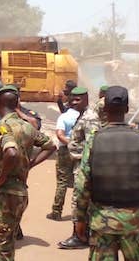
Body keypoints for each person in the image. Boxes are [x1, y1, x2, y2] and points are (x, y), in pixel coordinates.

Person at [74, 86, 139, 260]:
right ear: (127, 109)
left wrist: (79, 218)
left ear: (105, 109)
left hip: (101, 222)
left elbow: (83, 183)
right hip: (133, 221)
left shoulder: (94, 140)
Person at [0, 85, 55, 261]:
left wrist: (0, 179)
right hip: (21, 191)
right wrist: (30, 165)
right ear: (17, 103)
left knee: (1, 247)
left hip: (6, 192)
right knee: (9, 241)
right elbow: (50, 145)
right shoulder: (27, 127)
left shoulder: (4, 126)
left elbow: (11, 152)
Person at [58, 88, 101, 250]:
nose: (73, 102)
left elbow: (92, 145)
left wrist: (86, 168)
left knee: (78, 201)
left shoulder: (89, 118)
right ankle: (85, 234)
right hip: (79, 164)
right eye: (72, 99)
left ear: (86, 99)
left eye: (78, 100)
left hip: (84, 166)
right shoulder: (82, 115)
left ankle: (78, 236)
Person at [47, 87, 88, 221]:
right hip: (82, 152)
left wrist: (70, 144)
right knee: (79, 181)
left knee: (62, 182)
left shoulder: (64, 117)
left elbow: (60, 134)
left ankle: (56, 211)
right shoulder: (88, 117)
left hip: (65, 151)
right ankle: (78, 212)